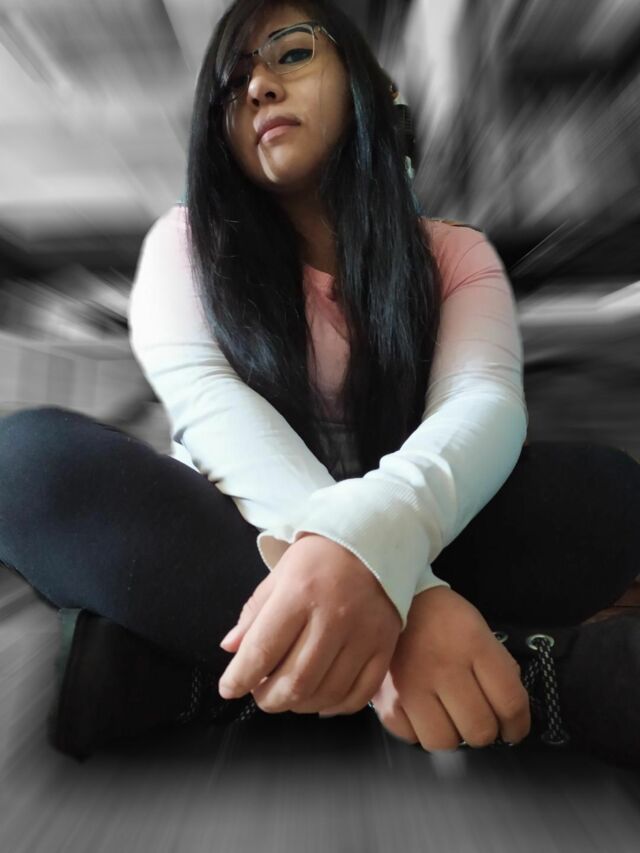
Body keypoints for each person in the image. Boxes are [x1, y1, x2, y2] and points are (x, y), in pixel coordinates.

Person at [1, 0, 639, 766]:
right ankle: (520, 679)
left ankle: (209, 676)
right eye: (233, 84)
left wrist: (373, 549)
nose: (258, 87)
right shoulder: (184, 243)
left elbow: (482, 401)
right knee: (25, 463)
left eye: (292, 54)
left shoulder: (453, 254)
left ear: (364, 86)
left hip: (425, 523)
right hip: (233, 530)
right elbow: (211, 404)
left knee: (607, 495)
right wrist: (412, 600)